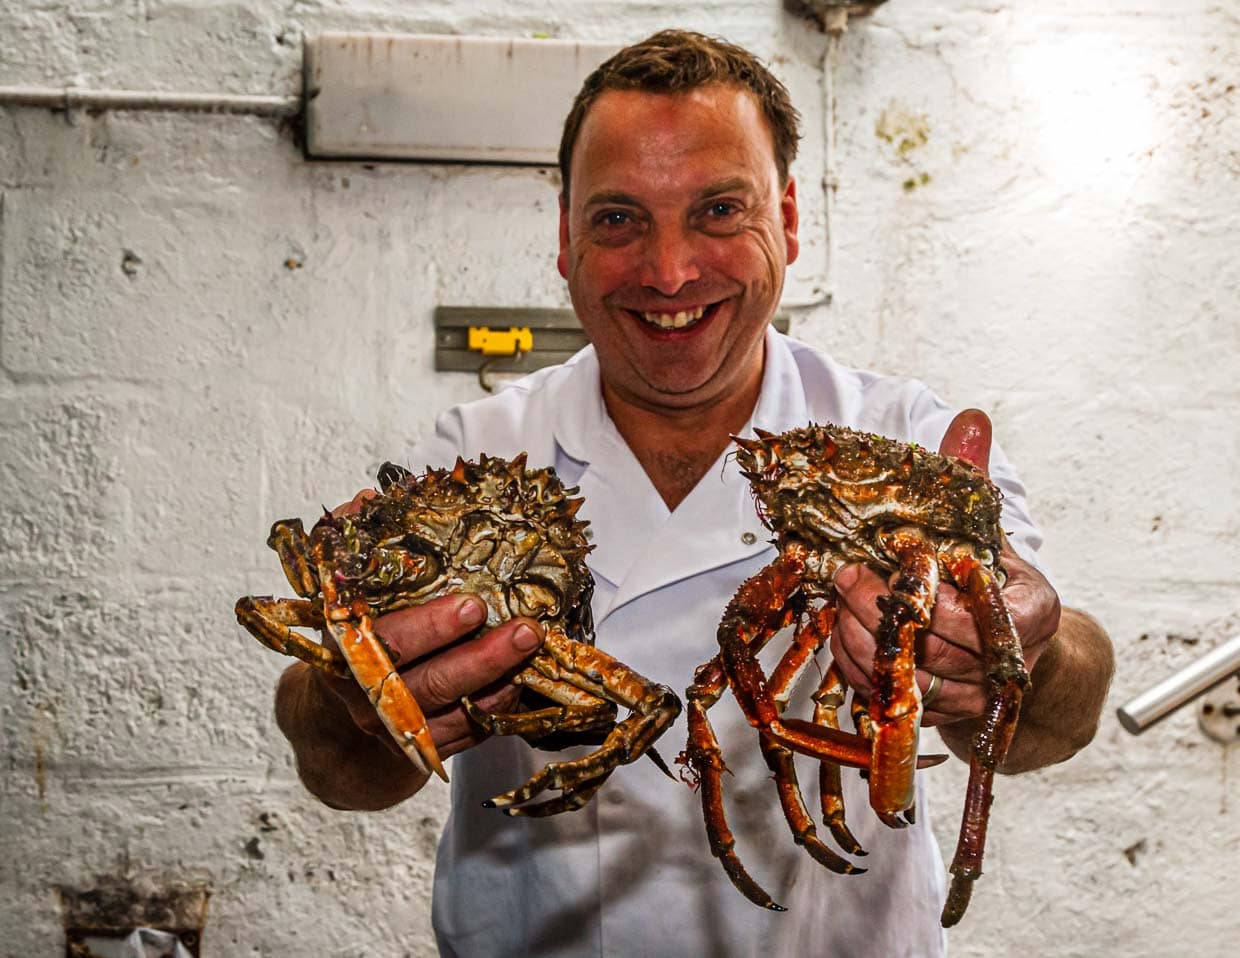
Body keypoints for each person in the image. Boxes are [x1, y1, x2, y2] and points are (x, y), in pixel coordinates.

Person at [272, 30, 1114, 957]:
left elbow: (1060, 721)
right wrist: (350, 698)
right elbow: (341, 774)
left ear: (789, 220)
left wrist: (1007, 652)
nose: (669, 271)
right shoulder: (480, 455)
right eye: (619, 219)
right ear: (565, 239)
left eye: (719, 209)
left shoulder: (902, 440)